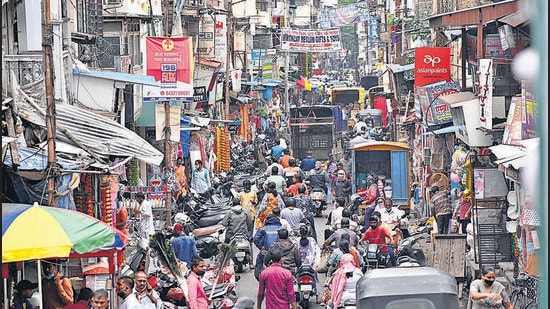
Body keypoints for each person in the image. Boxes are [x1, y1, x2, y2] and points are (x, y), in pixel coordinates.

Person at [221, 198, 255, 269]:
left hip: (231, 235)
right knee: (250, 244)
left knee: (225, 246)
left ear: (232, 204)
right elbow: (250, 223)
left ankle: (224, 263)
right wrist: (249, 230)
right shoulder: (245, 211)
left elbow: (224, 223)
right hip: (243, 234)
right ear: (240, 203)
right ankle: (251, 263)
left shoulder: (229, 212)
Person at [293, 225, 322, 304]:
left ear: (300, 232)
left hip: (299, 266)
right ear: (308, 232)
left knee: (294, 279)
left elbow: (293, 253)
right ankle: (318, 296)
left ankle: (295, 293)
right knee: (315, 278)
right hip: (310, 266)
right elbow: (317, 252)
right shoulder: (312, 240)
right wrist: (316, 264)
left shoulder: (296, 241)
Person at [253, 212, 283, 280]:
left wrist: (261, 247)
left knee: (259, 262)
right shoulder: (281, 228)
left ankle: (259, 278)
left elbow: (255, 239)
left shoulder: (263, 229)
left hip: (265, 251)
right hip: (279, 253)